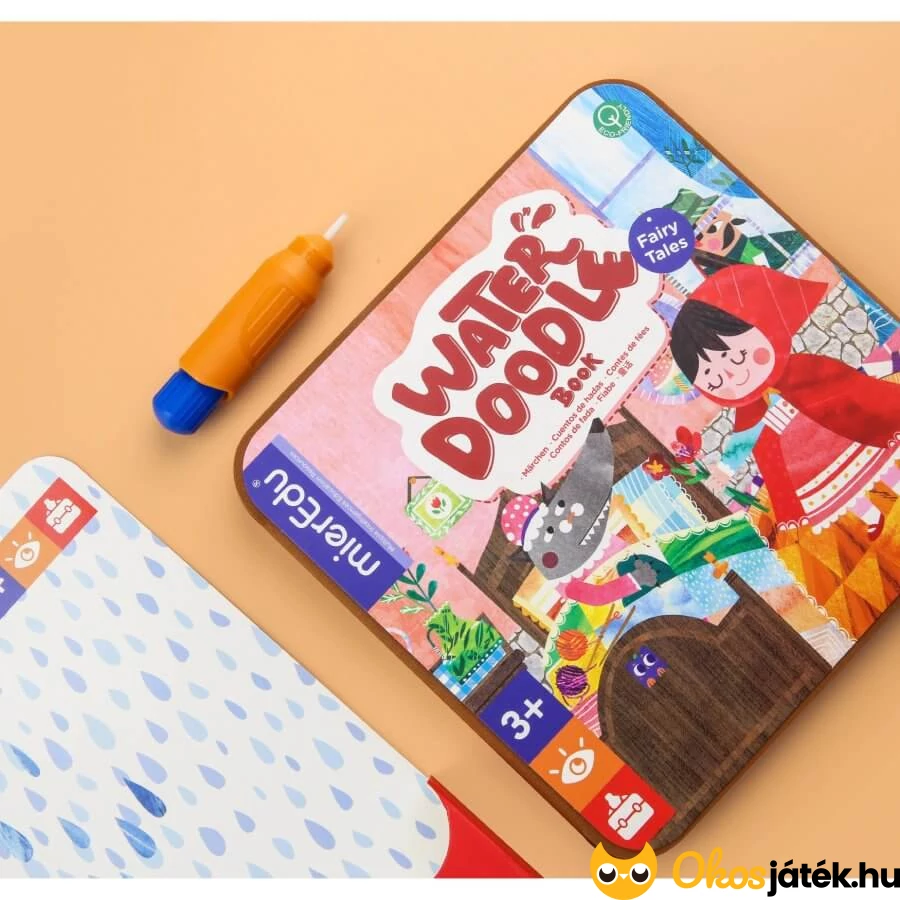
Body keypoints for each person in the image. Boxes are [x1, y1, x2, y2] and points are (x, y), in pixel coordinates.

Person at [669, 265, 900, 538]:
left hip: (844, 429)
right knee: (838, 490)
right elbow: (743, 439)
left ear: (765, 331)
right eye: (716, 379)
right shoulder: (750, 409)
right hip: (803, 461)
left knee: (875, 459)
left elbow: (843, 381)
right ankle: (871, 516)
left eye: (740, 356)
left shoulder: (801, 367)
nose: (735, 375)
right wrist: (723, 469)